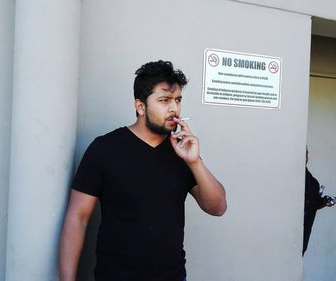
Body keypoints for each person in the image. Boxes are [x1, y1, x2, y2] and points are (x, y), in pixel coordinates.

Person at [59, 60, 227, 281]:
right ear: (140, 106)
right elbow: (77, 219)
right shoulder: (105, 149)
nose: (174, 108)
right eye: (164, 100)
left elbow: (217, 208)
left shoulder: (182, 152)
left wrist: (194, 162)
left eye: (177, 100)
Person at [303, 148, 336, 256]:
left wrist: (324, 201)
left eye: (306, 154)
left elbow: (313, 204)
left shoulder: (313, 182)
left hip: (305, 230)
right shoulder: (289, 177)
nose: (304, 157)